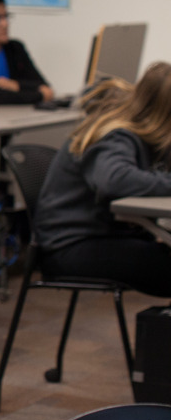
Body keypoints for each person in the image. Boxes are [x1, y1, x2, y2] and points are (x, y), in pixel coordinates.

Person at [33, 62, 171, 296]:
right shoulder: (114, 133)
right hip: (71, 246)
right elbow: (115, 180)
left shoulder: (143, 130)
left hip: (109, 236)